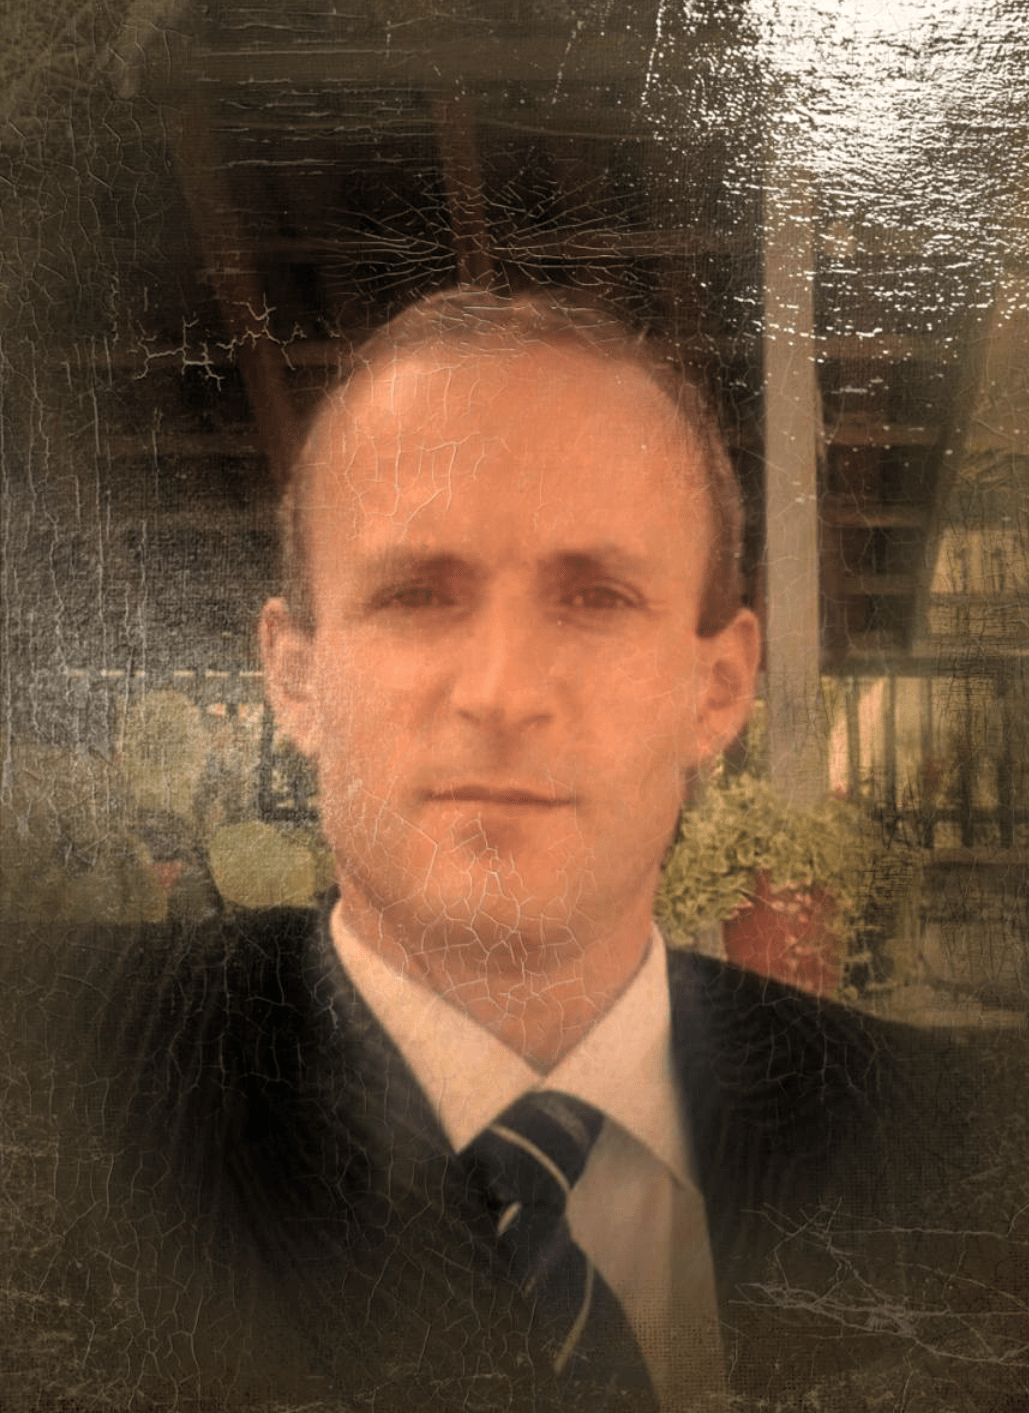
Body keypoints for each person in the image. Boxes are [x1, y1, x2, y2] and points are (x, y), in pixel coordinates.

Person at [17, 288, 1017, 1413]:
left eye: (596, 597)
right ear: (295, 677)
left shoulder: (978, 1155)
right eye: (414, 593)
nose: (501, 692)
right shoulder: (46, 1092)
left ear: (717, 689)